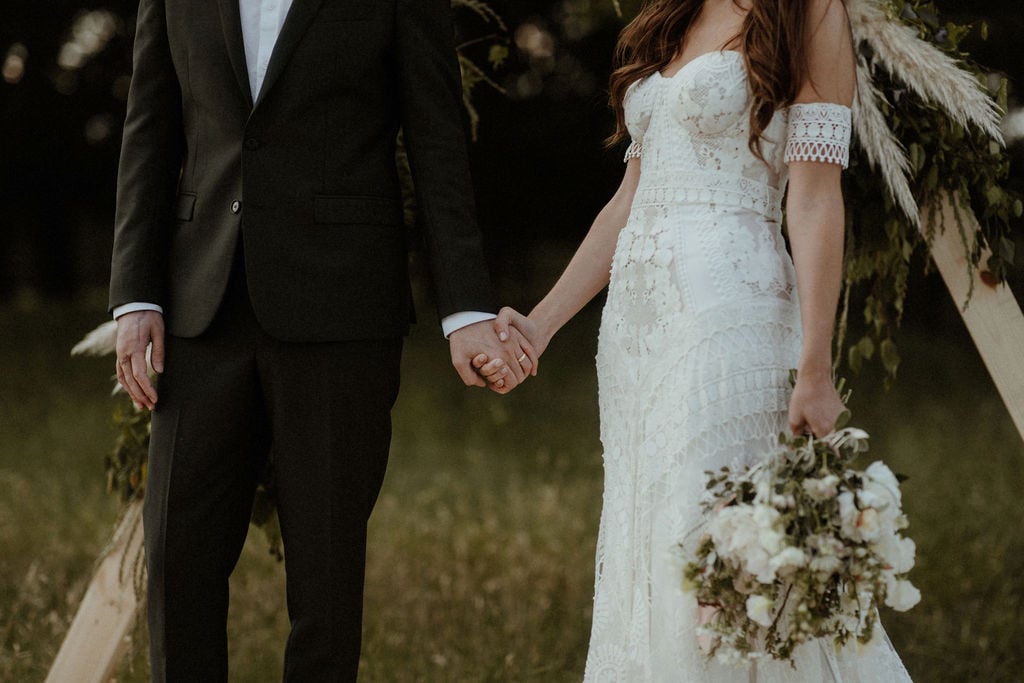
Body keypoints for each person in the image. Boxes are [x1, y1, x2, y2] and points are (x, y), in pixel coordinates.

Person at [483, 0, 913, 679]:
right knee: (648, 544)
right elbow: (630, 198)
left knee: (712, 548)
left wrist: (815, 364)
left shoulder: (809, 13)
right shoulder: (673, 13)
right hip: (636, 334)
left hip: (729, 317)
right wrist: (540, 323)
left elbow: (814, 197)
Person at [109, 0, 533, 679]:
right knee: (176, 558)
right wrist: (135, 293)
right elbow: (149, 125)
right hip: (200, 308)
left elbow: (435, 135)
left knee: (326, 580)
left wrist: (465, 308)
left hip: (341, 307)